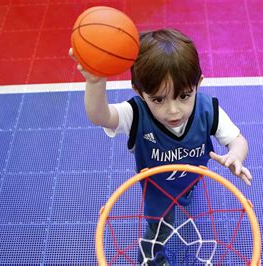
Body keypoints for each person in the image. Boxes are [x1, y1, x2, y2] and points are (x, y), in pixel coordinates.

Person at [70, 29, 252, 265]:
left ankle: (185, 192)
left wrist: (236, 155)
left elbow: (238, 140)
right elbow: (100, 116)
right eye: (158, 99)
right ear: (140, 92)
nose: (173, 110)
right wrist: (95, 83)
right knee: (159, 230)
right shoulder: (136, 114)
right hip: (158, 190)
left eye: (184, 96)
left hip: (190, 177)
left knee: (186, 189)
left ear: (198, 84)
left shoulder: (208, 110)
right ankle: (152, 260)